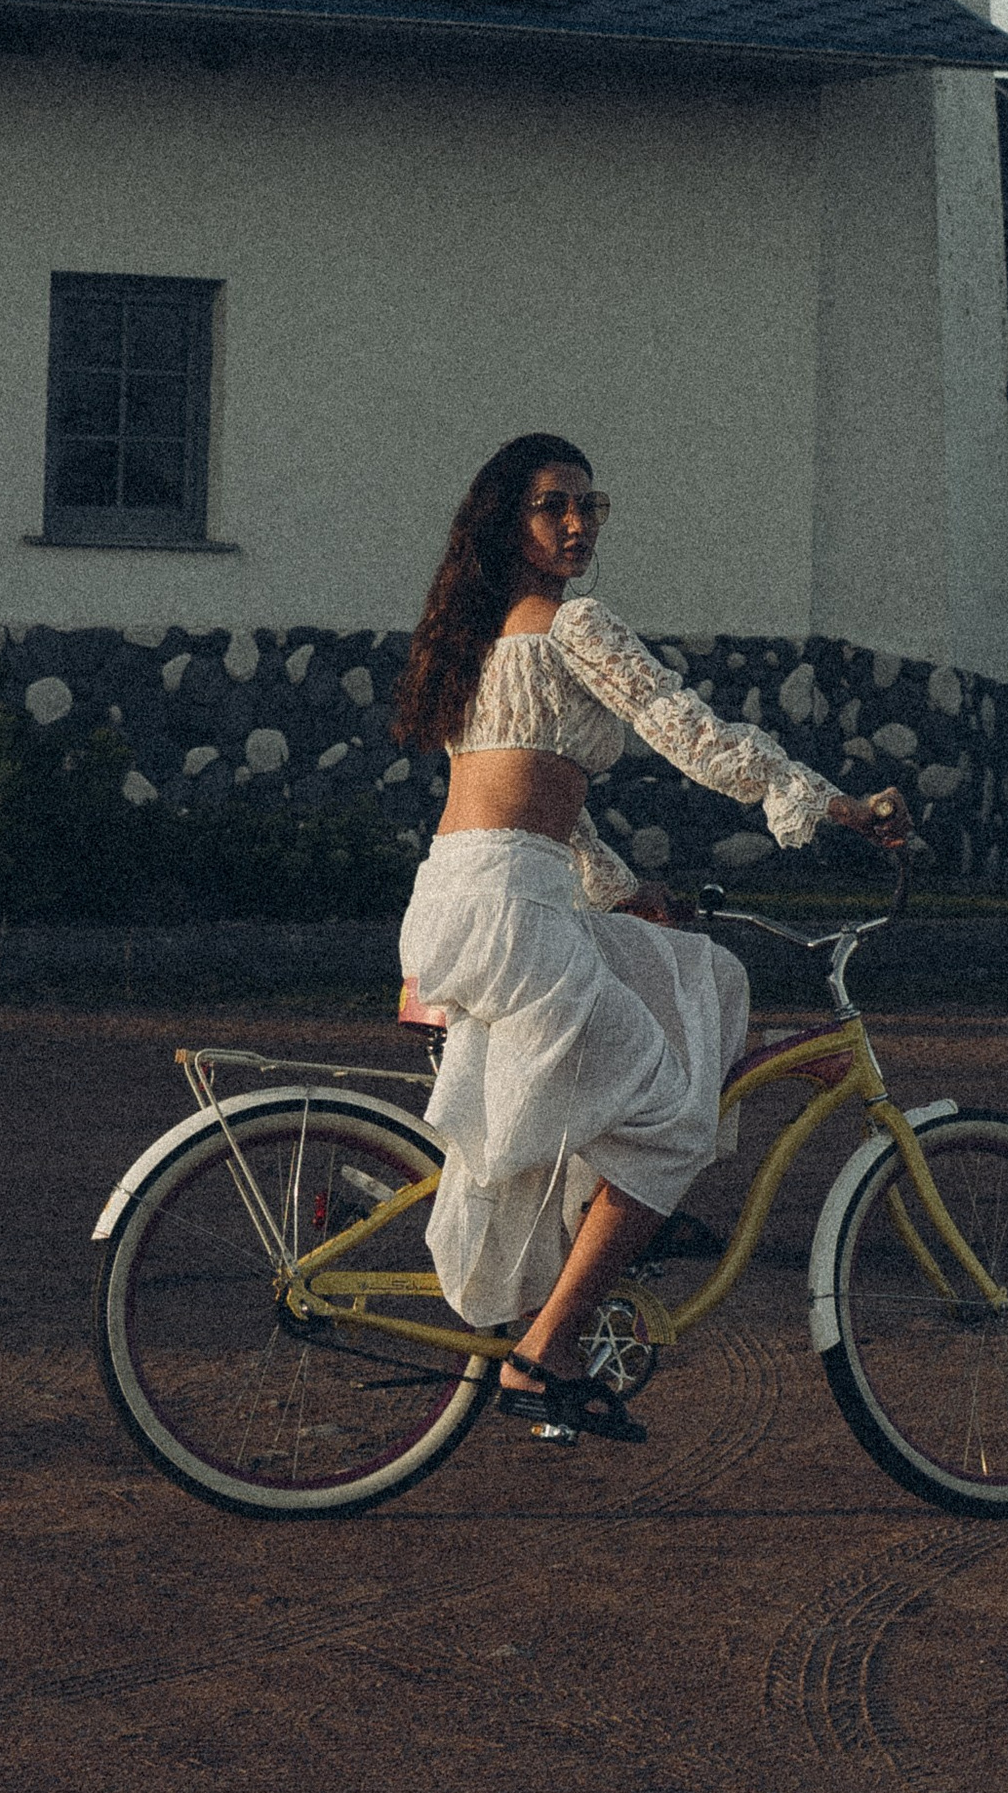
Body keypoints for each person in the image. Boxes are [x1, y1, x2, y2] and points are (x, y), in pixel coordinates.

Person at [389, 430, 911, 1445]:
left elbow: (539, 805)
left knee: (701, 970)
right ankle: (546, 1354)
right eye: (553, 505)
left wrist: (623, 897)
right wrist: (837, 807)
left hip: (476, 894)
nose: (578, 523)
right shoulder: (572, 625)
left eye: (589, 505)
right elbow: (694, 735)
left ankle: (628, 1211)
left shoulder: (480, 640)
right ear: (506, 522)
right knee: (673, 1125)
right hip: (509, 908)